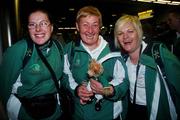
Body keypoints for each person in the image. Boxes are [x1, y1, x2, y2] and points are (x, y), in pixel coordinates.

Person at [63, 6, 129, 120]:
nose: (90, 30)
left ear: (100, 27)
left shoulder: (114, 50)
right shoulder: (70, 50)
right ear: (77, 26)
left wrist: (108, 90)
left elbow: (123, 82)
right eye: (85, 25)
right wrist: (77, 89)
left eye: (94, 25)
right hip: (80, 114)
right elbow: (65, 76)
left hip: (109, 115)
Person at [0, 8, 64, 120]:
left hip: (55, 111)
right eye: (32, 24)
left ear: (52, 27)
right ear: (28, 29)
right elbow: (4, 88)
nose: (38, 29)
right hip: (26, 112)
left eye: (43, 23)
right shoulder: (18, 50)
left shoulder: (58, 47)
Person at [114, 14, 180, 120]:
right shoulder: (122, 61)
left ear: (139, 33)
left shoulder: (158, 53)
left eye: (130, 31)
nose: (125, 37)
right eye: (120, 33)